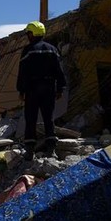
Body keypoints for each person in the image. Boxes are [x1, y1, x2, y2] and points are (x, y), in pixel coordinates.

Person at [16, 20, 66, 160]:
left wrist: (21, 90)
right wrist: (60, 87)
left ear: (33, 33)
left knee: (30, 119)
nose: (28, 35)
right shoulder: (52, 49)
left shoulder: (28, 50)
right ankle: (51, 149)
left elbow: (23, 72)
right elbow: (58, 70)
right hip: (49, 88)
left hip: (32, 89)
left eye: (29, 33)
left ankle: (30, 151)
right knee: (48, 118)